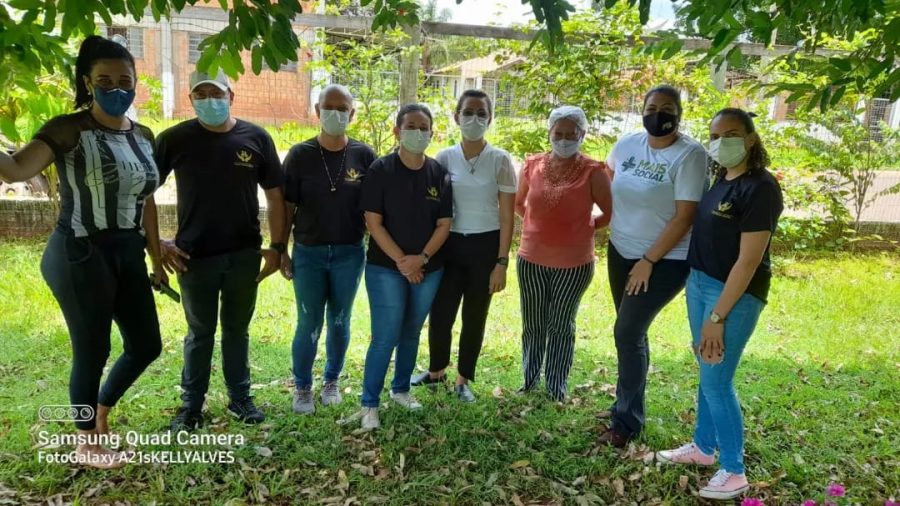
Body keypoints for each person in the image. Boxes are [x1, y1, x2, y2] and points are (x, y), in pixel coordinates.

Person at [0, 36, 164, 468]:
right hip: (79, 252)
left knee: (147, 344)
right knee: (92, 348)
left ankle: (101, 415)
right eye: (104, 80)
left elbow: (146, 199)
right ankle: (86, 440)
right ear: (87, 83)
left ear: (135, 83)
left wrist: (156, 255)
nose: (116, 88)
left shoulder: (144, 135)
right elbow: (16, 168)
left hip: (127, 252)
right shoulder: (67, 129)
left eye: (124, 80)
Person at [656, 108, 783, 500]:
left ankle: (733, 468)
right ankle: (702, 447)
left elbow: (748, 262)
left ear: (750, 139)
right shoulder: (720, 179)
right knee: (706, 370)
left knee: (717, 381)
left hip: (732, 296)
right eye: (715, 135)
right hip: (700, 284)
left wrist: (717, 315)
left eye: (731, 134)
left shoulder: (761, 188)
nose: (721, 141)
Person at [155, 69, 286, 431]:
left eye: (217, 93)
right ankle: (190, 407)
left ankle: (240, 399)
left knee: (236, 330)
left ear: (232, 96)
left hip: (244, 255)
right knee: (199, 333)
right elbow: (141, 191)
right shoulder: (174, 139)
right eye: (202, 94)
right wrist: (158, 244)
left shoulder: (256, 138)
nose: (210, 100)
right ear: (191, 99)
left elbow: (276, 196)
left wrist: (277, 246)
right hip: (193, 258)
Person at [598, 85, 708, 448]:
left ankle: (626, 420)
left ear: (679, 113)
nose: (658, 114)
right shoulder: (627, 145)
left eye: (667, 108)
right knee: (631, 332)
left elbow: (684, 217)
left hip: (665, 260)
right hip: (620, 251)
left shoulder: (690, 155)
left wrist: (648, 261)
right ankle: (628, 406)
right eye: (652, 107)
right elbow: (606, 182)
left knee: (627, 332)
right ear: (641, 109)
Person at [349, 104, 452, 430]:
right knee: (385, 335)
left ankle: (401, 389)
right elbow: (373, 224)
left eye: (424, 128)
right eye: (411, 126)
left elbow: (445, 224)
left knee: (410, 331)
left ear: (432, 133)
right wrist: (403, 263)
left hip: (428, 267)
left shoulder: (438, 172)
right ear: (397, 131)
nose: (418, 133)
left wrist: (420, 259)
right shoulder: (381, 170)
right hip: (385, 268)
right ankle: (369, 404)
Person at [410, 90, 516, 402]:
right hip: (449, 245)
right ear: (456, 117)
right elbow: (431, 209)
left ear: (490, 119)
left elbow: (508, 217)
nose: (474, 118)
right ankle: (436, 372)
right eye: (468, 112)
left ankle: (462, 380)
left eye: (481, 113)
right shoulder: (443, 157)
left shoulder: (500, 160)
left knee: (474, 315)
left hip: (485, 247)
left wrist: (501, 262)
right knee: (441, 312)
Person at [281, 84, 376, 414]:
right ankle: (303, 387)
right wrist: (281, 249)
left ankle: (331, 380)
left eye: (343, 108)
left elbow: (375, 209)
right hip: (309, 252)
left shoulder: (364, 155)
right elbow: (286, 207)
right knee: (308, 323)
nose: (336, 114)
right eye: (329, 107)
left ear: (353, 113)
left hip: (350, 253)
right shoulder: (299, 155)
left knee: (340, 320)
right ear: (317, 110)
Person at [514, 105, 611, 402]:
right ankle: (529, 380)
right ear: (550, 133)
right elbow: (519, 204)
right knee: (533, 323)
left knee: (560, 324)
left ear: (582, 134)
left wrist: (582, 229)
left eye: (572, 134)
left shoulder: (594, 171)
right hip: (531, 259)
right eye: (559, 133)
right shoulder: (532, 165)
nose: (565, 139)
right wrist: (535, 227)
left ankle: (556, 386)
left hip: (574, 264)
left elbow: (608, 212)